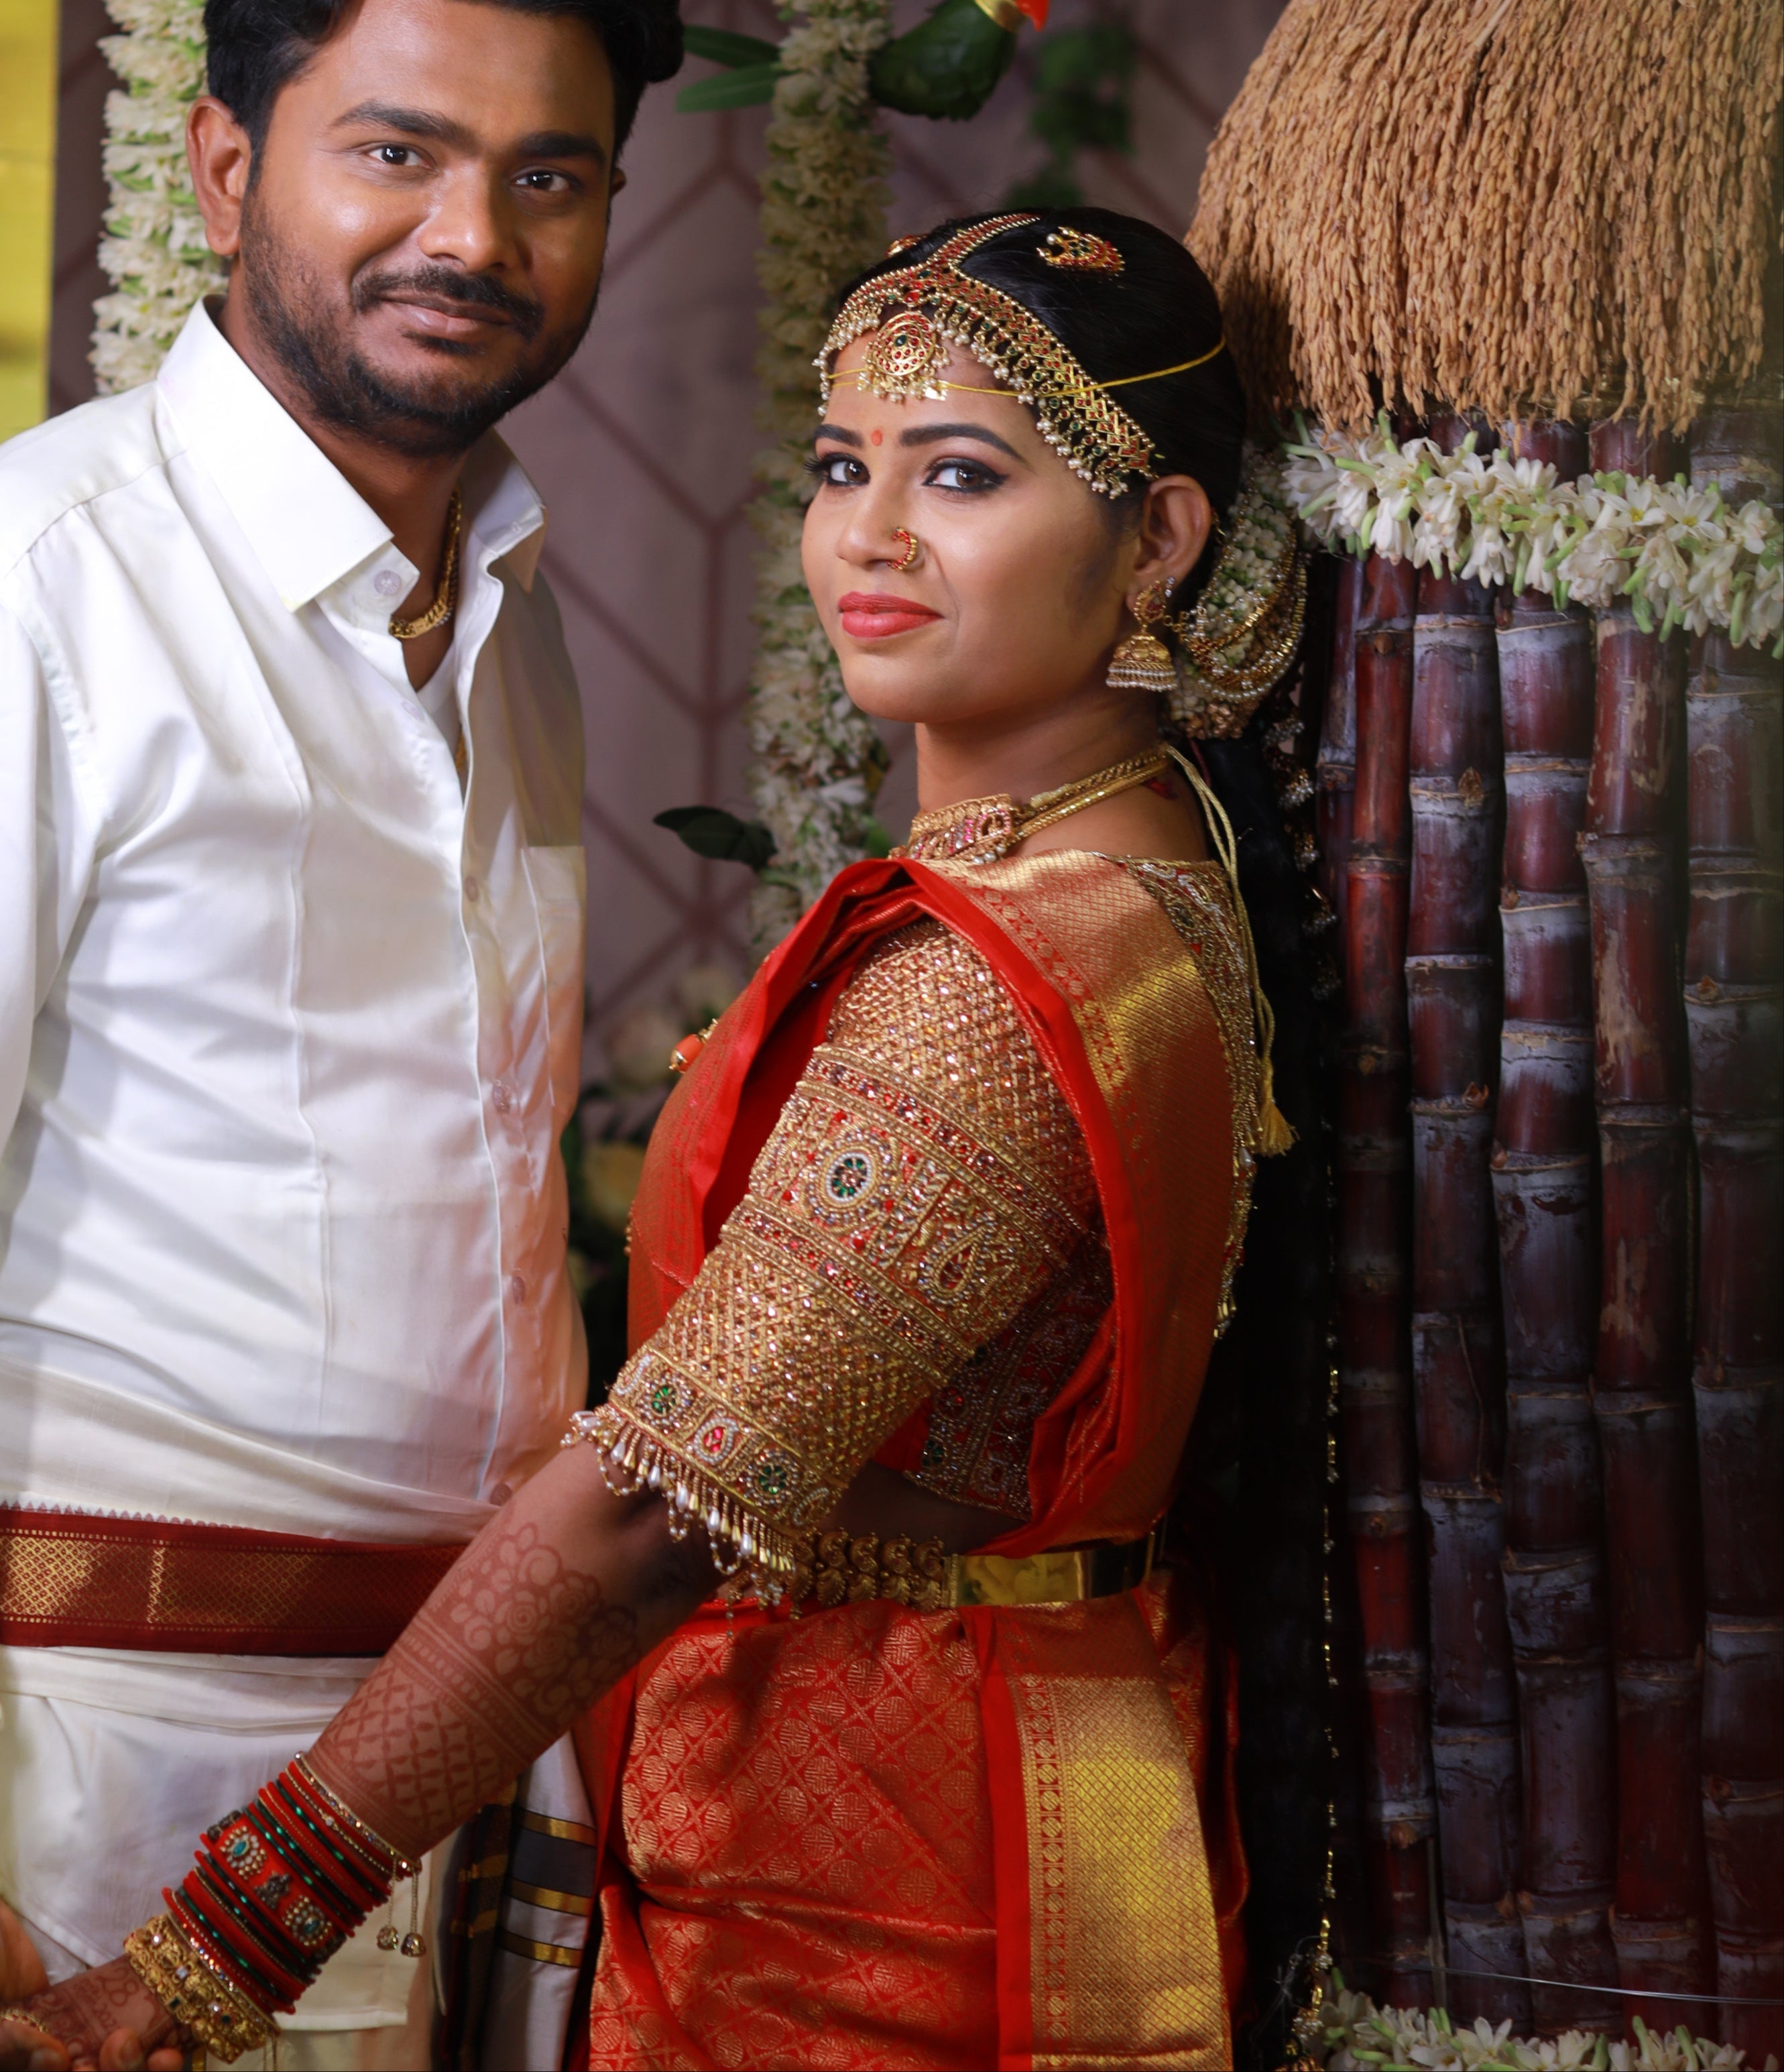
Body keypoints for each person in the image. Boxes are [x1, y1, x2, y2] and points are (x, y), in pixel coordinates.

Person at [13, 207, 1311, 2070]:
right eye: (846, 465)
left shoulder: (998, 980)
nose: (869, 535)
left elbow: (650, 1512)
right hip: (987, 1781)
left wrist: (211, 1953)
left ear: (1161, 537)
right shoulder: (1142, 857)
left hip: (873, 1879)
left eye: (961, 476)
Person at [0, 0, 679, 2071]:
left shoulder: (512, 621)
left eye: (550, 175)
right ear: (224, 164)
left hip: (451, 1775)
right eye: (396, 152)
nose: (472, 237)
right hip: (86, 1788)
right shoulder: (42, 590)